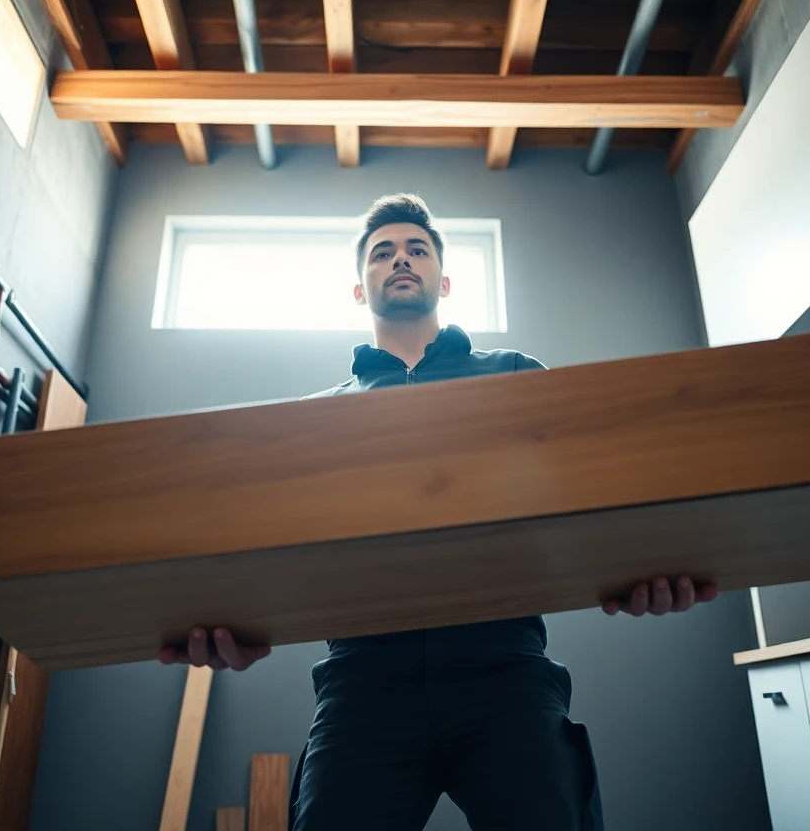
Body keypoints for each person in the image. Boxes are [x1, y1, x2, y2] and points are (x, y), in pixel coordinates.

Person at [158, 194, 718, 830]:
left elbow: (593, 498)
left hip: (503, 672)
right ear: (358, 286)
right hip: (364, 686)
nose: (401, 259)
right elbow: (273, 551)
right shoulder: (319, 417)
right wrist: (232, 621)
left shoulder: (513, 375)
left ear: (444, 280)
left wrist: (646, 566)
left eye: (416, 250)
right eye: (383, 253)